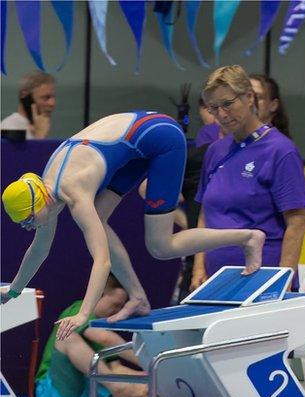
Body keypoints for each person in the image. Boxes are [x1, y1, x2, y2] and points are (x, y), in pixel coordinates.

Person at [1, 109, 265, 339]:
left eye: (28, 220)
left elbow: (101, 261)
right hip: (137, 140)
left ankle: (247, 237)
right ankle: (137, 297)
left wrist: (84, 314)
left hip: (162, 138)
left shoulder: (73, 193)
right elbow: (39, 249)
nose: (28, 227)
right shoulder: (45, 190)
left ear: (38, 206)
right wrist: (12, 292)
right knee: (99, 222)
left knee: (161, 245)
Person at [190, 65, 305, 292]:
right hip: (215, 279)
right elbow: (205, 215)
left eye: (228, 104)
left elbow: (297, 223)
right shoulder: (215, 151)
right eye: (214, 108)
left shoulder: (281, 151)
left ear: (249, 96)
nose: (222, 114)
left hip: (264, 276)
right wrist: (198, 269)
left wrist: (284, 281)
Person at [34, 277, 148, 397]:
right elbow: (107, 339)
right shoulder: (79, 310)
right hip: (57, 392)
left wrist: (146, 377)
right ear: (99, 296)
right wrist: (147, 361)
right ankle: (116, 388)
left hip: (92, 396)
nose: (117, 311)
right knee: (66, 337)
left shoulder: (105, 328)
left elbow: (115, 368)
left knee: (157, 389)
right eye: (116, 304)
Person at [1, 71, 57, 139]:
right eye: (46, 97)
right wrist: (40, 135)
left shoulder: (35, 127)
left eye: (53, 97)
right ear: (25, 96)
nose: (52, 103)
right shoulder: (9, 128)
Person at [250, 74, 292, 139]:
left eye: (257, 97)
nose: (250, 102)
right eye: (244, 96)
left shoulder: (281, 146)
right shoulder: (230, 138)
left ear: (273, 105)